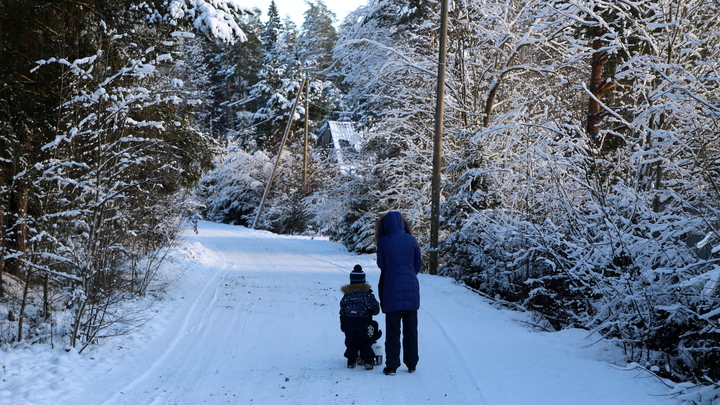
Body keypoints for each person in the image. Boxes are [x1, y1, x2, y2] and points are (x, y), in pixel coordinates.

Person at [375, 211, 422, 375]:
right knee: (411, 330)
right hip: (410, 288)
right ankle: (411, 364)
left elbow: (381, 264)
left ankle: (392, 365)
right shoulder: (411, 240)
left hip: (390, 288)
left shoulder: (383, 242)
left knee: (393, 330)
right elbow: (417, 265)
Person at [340, 265, 380, 370]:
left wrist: (342, 322)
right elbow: (375, 309)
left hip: (349, 320)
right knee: (365, 340)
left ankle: (351, 360)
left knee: (351, 341)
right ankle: (368, 360)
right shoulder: (367, 294)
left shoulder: (347, 295)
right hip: (363, 321)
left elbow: (342, 308)